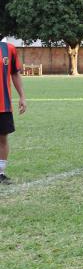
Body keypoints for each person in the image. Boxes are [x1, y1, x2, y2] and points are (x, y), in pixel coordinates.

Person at [0, 38, 27, 184]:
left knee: (3, 138)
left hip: (3, 104)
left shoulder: (8, 49)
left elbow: (15, 74)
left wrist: (22, 96)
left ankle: (1, 173)